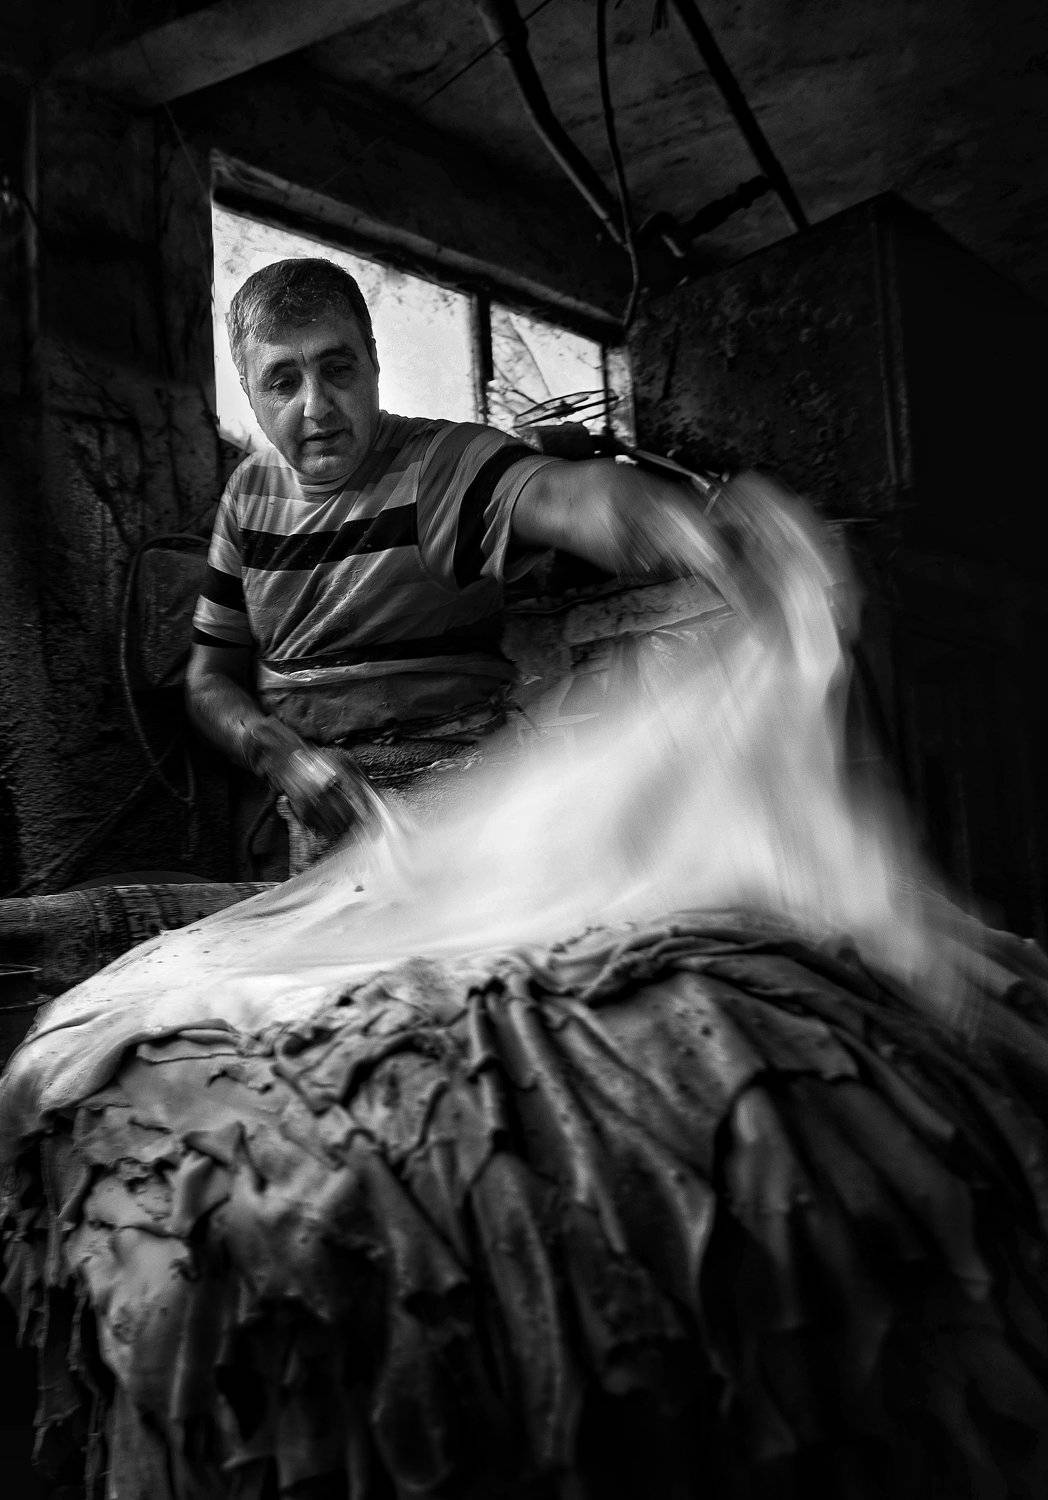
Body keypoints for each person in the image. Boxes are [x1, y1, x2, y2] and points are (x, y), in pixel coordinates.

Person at [186, 257, 724, 870]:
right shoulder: (246, 496)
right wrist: (278, 755)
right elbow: (209, 680)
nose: (317, 407)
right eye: (283, 382)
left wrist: (703, 533)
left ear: (373, 363)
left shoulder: (440, 466)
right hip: (321, 827)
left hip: (471, 812)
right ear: (249, 393)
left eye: (337, 369)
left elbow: (565, 497)